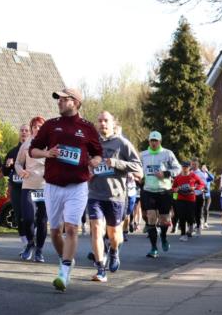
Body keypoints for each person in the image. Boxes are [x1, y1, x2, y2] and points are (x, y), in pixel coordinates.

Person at [27, 88, 103, 291]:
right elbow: (32, 151)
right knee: (54, 232)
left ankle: (64, 272)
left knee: (71, 228)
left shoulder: (87, 128)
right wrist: (47, 153)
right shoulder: (51, 125)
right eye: (58, 99)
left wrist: (94, 162)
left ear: (76, 102)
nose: (59, 102)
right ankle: (65, 259)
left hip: (77, 186)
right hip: (52, 185)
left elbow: (98, 154)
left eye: (64, 99)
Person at [86, 111, 141, 282]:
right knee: (95, 228)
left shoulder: (122, 144)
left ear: (112, 123)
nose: (102, 123)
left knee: (114, 234)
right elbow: (84, 163)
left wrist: (116, 163)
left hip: (115, 196)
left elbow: (138, 169)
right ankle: (100, 268)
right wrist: (88, 169)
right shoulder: (91, 144)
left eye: (106, 121)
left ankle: (114, 250)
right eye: (100, 120)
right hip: (95, 193)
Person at [139, 131, 180, 258]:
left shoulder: (167, 153)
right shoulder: (143, 155)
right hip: (149, 190)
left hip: (164, 191)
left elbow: (177, 168)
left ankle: (163, 236)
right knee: (151, 217)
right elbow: (138, 168)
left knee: (164, 220)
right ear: (149, 141)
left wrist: (166, 174)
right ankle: (153, 247)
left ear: (160, 141)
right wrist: (138, 176)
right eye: (152, 140)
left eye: (156, 141)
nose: (154, 143)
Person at [16, 116, 48, 263]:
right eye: (34, 127)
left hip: (44, 187)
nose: (37, 129)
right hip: (28, 186)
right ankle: (30, 243)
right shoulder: (26, 144)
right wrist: (21, 172)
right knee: (28, 218)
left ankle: (39, 251)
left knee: (42, 220)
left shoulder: (50, 144)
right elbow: (17, 163)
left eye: (40, 127)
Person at [5, 124, 31, 254]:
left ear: (30, 133)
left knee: (31, 216)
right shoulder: (12, 152)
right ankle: (25, 244)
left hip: (31, 187)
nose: (24, 133)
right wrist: (8, 165)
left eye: (26, 131)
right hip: (16, 188)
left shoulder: (33, 150)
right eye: (22, 130)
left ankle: (32, 240)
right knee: (19, 216)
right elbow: (4, 172)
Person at [172, 162, 205, 241]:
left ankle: (191, 225)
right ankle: (183, 234)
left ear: (189, 167)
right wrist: (175, 190)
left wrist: (195, 188)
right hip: (180, 199)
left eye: (186, 167)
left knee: (190, 216)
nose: (185, 168)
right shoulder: (178, 177)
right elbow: (173, 187)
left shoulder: (193, 176)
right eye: (183, 167)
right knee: (182, 216)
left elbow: (202, 184)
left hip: (191, 199)